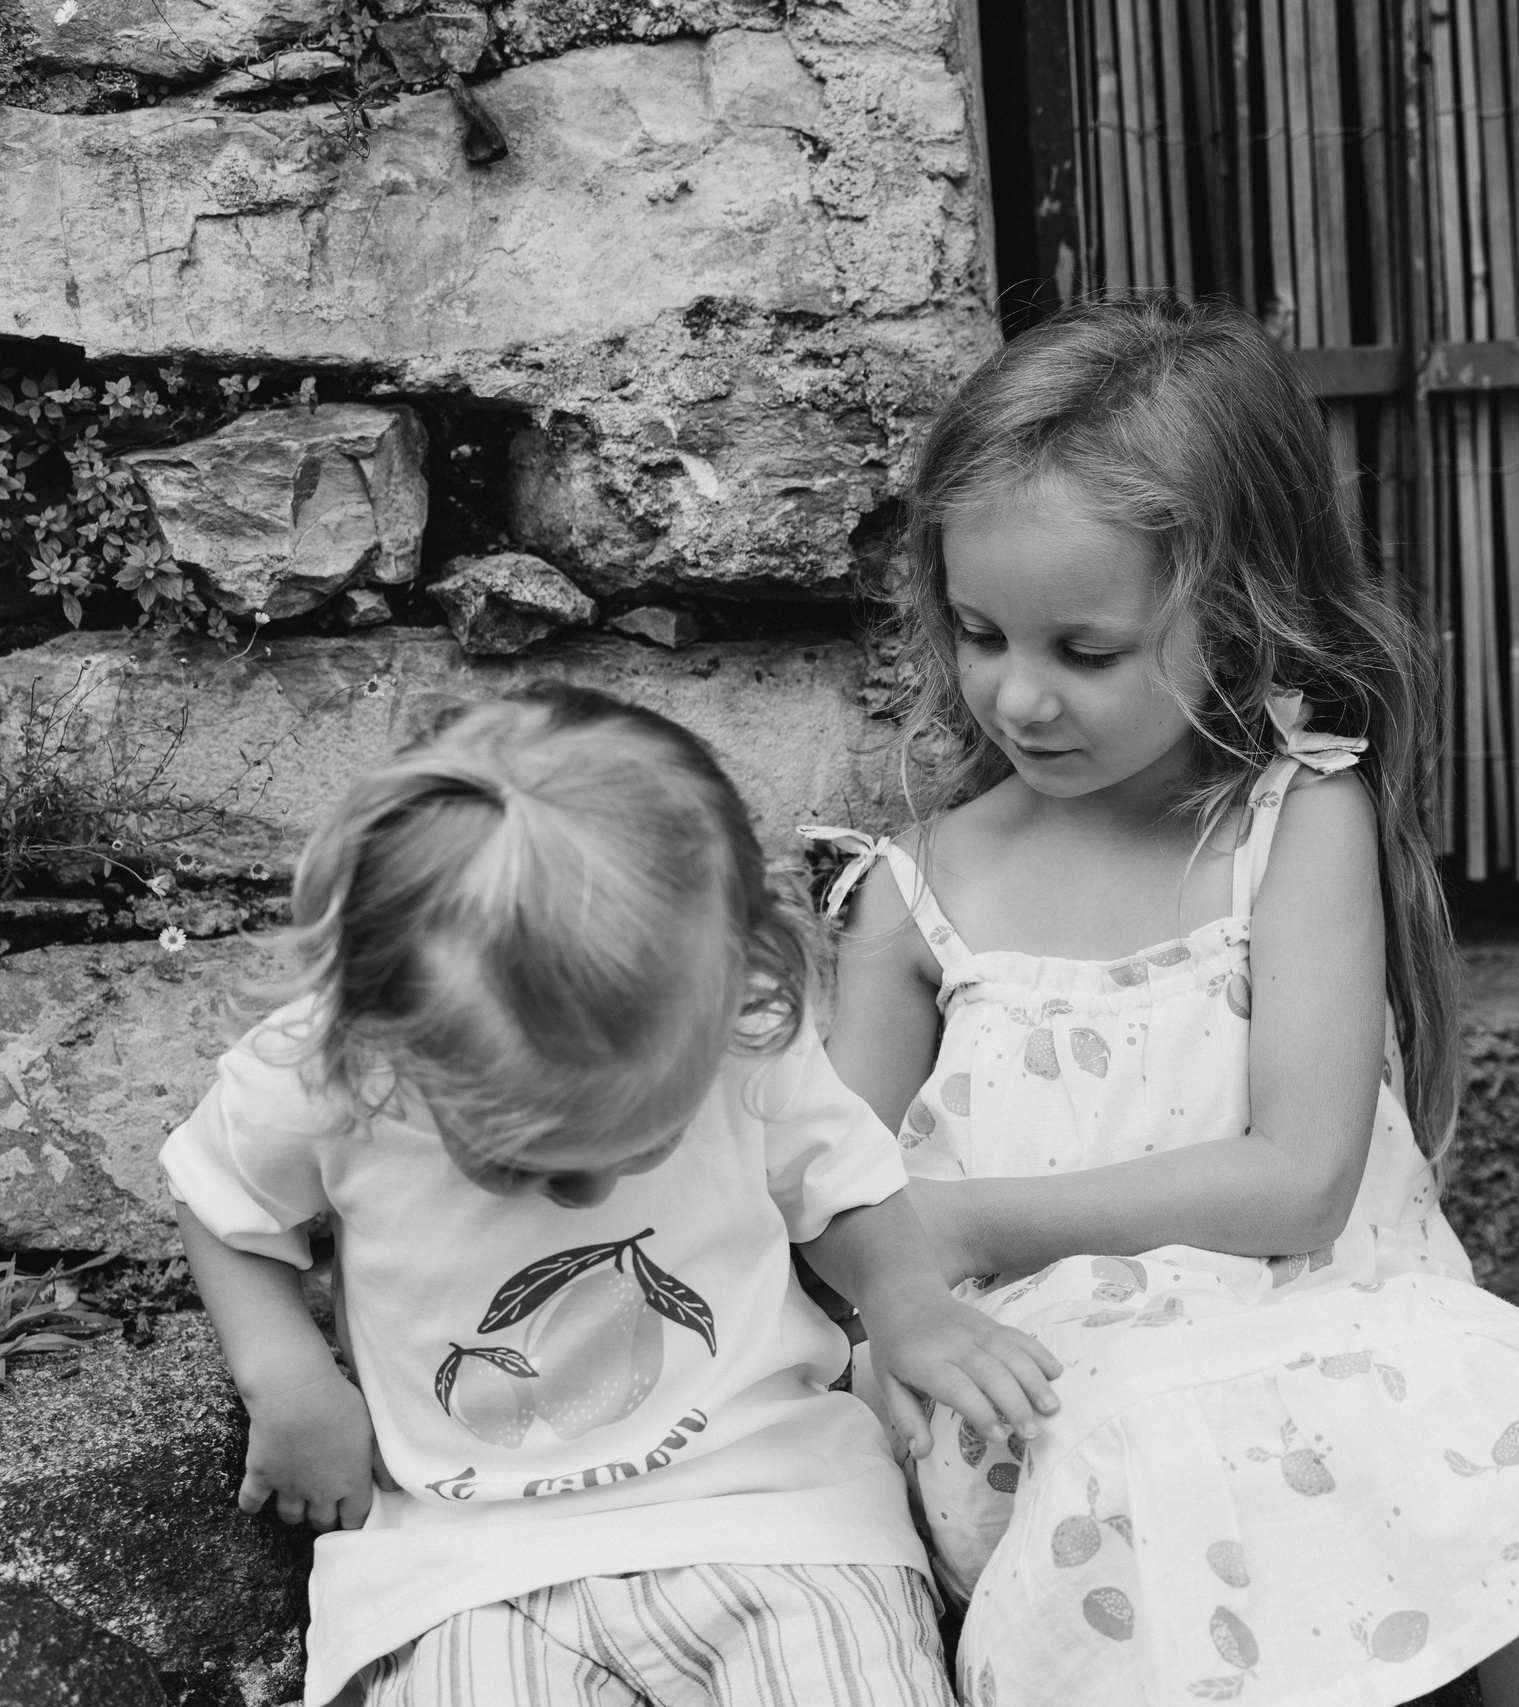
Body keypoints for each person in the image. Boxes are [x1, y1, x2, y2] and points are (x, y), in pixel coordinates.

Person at [812, 293, 1519, 1707]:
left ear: (1231, 616)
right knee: (1160, 1454)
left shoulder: (1295, 822)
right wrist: (908, 1277)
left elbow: (1298, 1183)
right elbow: (831, 1195)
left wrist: (969, 1215)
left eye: (1082, 650)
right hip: (1049, 1387)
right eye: (981, 634)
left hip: (1333, 1320)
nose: (1018, 697)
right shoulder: (913, 891)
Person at [163, 685, 1062, 1707]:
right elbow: (222, 1200)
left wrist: (904, 1302)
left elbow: (841, 1180)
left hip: (778, 1513)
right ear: (384, 1032)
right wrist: (285, 1374)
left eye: (643, 1144)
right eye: (518, 1163)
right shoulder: (333, 1072)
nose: (586, 1193)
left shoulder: (736, 1028)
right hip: (469, 1562)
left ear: (744, 980)